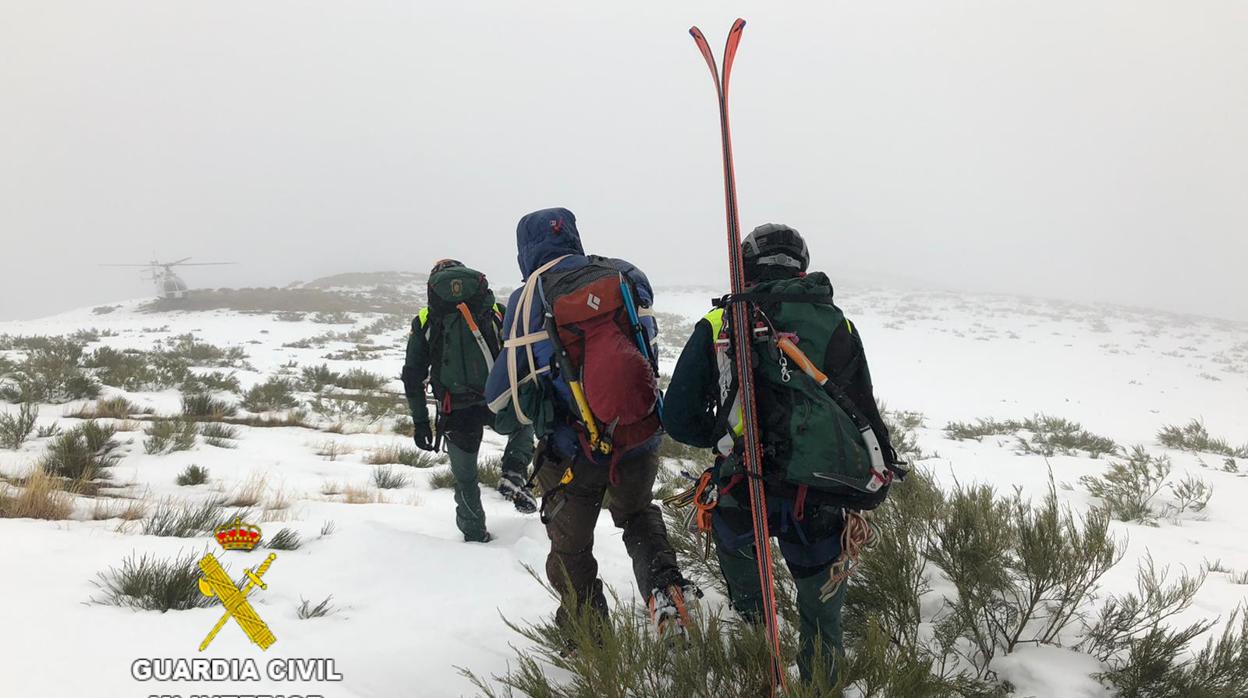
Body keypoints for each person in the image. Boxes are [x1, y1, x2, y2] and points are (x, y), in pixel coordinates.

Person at [663, 223, 901, 684]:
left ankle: (757, 650)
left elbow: (677, 418)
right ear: (802, 269)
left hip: (740, 488)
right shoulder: (838, 324)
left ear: (744, 268)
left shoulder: (719, 323)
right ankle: (819, 685)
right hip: (819, 493)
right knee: (821, 613)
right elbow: (862, 409)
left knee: (748, 586)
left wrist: (720, 439)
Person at [484, 207, 698, 635]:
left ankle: (588, 635)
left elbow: (500, 398)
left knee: (570, 546)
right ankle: (665, 592)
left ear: (524, 249)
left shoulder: (528, 299)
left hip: (572, 452)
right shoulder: (624, 276)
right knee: (637, 515)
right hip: (637, 434)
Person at [403, 259, 537, 544]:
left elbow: (412, 375)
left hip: (456, 409)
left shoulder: (427, 319)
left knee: (466, 480)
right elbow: (520, 356)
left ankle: (476, 538)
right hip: (497, 399)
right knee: (525, 424)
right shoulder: (495, 311)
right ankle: (514, 469)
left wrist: (419, 421)